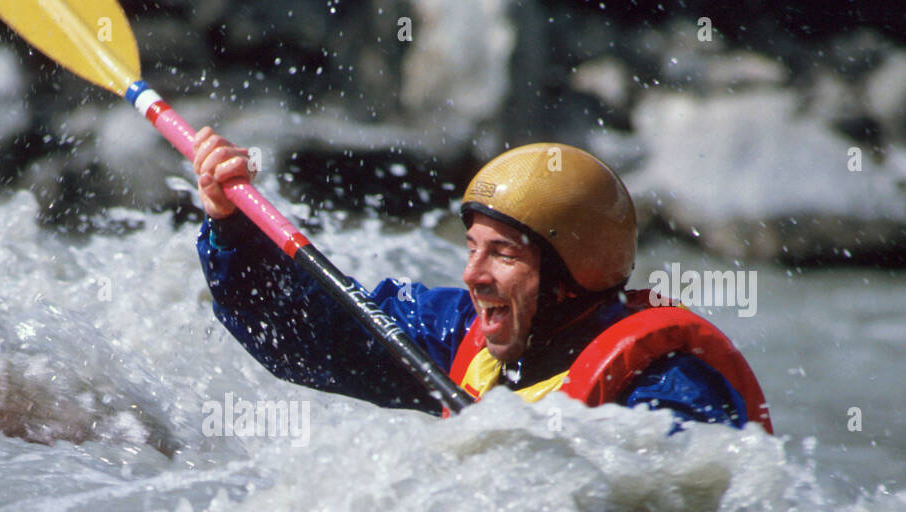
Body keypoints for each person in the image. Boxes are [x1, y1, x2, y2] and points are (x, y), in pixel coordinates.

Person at [192, 129, 772, 433]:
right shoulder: (461, 336)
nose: (473, 274)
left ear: (571, 274)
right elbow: (302, 337)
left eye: (502, 254)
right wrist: (231, 230)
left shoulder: (672, 387)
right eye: (472, 249)